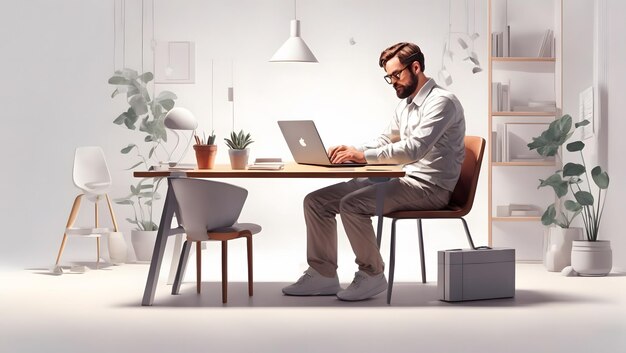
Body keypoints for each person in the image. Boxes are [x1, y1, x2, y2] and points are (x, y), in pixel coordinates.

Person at [282, 42, 466, 301]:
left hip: (430, 188)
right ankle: (322, 275)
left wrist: (361, 156)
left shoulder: (443, 102)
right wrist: (352, 150)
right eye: (388, 77)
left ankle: (372, 275)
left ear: (416, 67)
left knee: (352, 204)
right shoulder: (406, 104)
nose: (392, 82)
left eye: (396, 74)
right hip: (401, 180)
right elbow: (386, 140)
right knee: (316, 201)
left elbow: (415, 149)